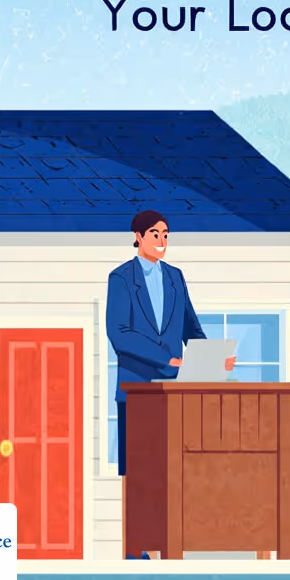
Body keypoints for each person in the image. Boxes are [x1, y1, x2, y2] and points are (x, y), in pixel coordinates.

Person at [105, 210, 235, 559]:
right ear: (138, 236)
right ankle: (137, 549)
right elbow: (120, 334)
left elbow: (191, 326)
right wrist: (168, 360)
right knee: (139, 472)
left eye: (165, 234)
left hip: (174, 392)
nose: (162, 241)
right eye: (154, 234)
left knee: (172, 469)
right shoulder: (121, 278)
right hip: (136, 389)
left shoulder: (175, 277)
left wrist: (210, 357)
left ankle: (169, 544)